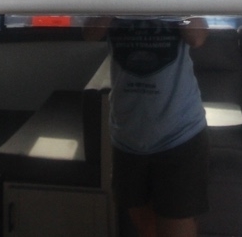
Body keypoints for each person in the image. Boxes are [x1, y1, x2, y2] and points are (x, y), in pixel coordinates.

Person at [84, 15, 209, 237]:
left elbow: (197, 37)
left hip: (179, 133)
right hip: (127, 134)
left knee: (175, 228)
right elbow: (90, 34)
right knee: (145, 229)